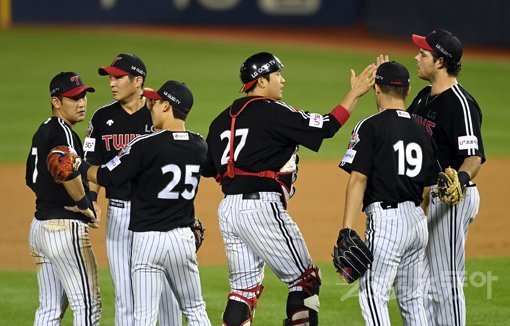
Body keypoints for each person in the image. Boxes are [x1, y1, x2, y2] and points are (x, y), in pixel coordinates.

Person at [202, 51, 375, 325]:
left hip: (229, 211)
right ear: (260, 81)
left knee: (243, 291)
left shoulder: (221, 119)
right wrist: (354, 94)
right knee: (305, 281)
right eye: (277, 75)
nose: (282, 80)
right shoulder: (273, 111)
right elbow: (326, 127)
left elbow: (208, 168)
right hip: (261, 208)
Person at [79, 80, 211, 325]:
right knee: (195, 309)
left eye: (155, 102)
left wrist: (79, 165)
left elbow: (108, 176)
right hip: (183, 238)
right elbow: (213, 169)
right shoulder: (199, 145)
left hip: (149, 240)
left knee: (143, 317)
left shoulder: (145, 145)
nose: (150, 106)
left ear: (167, 106)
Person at [83, 53, 182, 325]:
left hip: (156, 214)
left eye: (118, 77)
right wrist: (90, 200)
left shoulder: (158, 114)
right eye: (110, 78)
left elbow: (177, 156)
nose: (112, 83)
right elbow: (93, 164)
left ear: (138, 81)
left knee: (164, 292)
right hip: (120, 213)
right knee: (126, 295)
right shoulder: (102, 117)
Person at [337, 61, 436, 325]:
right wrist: (417, 220)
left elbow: (358, 178)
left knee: (372, 294)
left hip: (388, 222)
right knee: (413, 299)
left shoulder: (369, 126)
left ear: (377, 90)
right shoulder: (422, 131)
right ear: (408, 89)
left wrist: (346, 229)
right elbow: (427, 186)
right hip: (417, 221)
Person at [409, 29, 485, 326]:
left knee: (444, 280)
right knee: (420, 284)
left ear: (440, 62)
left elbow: (474, 156)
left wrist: (460, 180)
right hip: (425, 198)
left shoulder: (461, 104)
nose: (417, 57)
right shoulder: (421, 98)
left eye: (423, 54)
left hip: (451, 198)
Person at [26, 72, 101, 325]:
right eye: (73, 98)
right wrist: (84, 205)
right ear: (56, 102)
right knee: (88, 307)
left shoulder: (43, 131)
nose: (81, 103)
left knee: (49, 309)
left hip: (40, 229)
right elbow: (67, 169)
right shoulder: (63, 132)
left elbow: (30, 178)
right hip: (63, 229)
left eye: (83, 96)